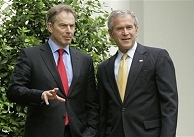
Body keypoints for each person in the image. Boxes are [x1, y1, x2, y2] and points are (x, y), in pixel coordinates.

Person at [7, 4, 99, 137]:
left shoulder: (84, 60)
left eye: (72, 26)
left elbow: (92, 103)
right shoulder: (31, 56)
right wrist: (40, 95)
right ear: (50, 27)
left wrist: (91, 132)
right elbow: (13, 91)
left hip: (77, 133)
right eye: (63, 26)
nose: (69, 31)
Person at [97, 10, 178, 137]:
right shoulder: (104, 68)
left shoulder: (158, 57)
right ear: (111, 33)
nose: (125, 33)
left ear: (136, 30)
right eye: (119, 29)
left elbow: (169, 104)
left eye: (129, 27)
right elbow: (103, 111)